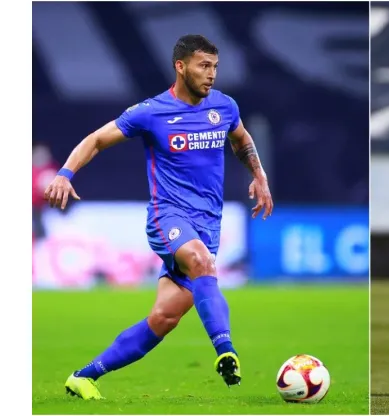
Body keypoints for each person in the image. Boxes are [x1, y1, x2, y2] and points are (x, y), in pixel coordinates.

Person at [44, 34, 274, 400]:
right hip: (167, 216)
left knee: (163, 319)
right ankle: (225, 350)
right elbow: (97, 140)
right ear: (180, 67)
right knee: (201, 262)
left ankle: (84, 376)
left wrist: (259, 176)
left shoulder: (224, 107)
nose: (211, 74)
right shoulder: (150, 112)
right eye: (203, 66)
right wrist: (64, 174)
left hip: (208, 222)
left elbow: (241, 139)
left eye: (215, 66)